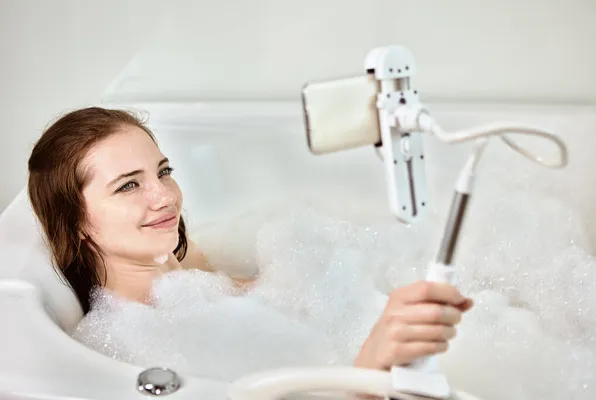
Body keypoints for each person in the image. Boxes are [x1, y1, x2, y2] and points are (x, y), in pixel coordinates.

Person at [27, 106, 473, 373]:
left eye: (163, 172)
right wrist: (371, 366)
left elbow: (265, 304)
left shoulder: (180, 265)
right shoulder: (125, 345)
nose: (164, 197)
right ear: (76, 222)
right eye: (128, 185)